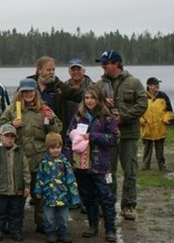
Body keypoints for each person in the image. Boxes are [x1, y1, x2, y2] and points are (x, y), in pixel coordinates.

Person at [0, 78, 62, 234]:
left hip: (39, 159)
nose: (28, 94)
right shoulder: (12, 109)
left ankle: (42, 224)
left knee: (39, 195)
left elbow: (57, 130)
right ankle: (14, 225)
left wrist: (51, 121)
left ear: (36, 92)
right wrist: (12, 125)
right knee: (17, 195)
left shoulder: (44, 109)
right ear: (20, 92)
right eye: (24, 91)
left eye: (30, 91)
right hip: (17, 159)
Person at [94, 49, 147, 220]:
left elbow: (142, 104)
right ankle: (108, 204)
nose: (102, 67)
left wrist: (123, 117)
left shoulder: (134, 83)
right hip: (108, 136)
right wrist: (102, 103)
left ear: (116, 64)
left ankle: (129, 206)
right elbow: (88, 102)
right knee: (108, 171)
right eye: (102, 63)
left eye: (105, 63)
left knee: (130, 171)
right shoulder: (99, 85)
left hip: (128, 135)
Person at [65, 85, 119, 242]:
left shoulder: (107, 117)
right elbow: (69, 137)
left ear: (99, 99)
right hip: (81, 165)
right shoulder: (78, 116)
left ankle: (110, 229)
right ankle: (93, 226)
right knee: (88, 197)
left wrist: (92, 136)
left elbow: (114, 139)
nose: (89, 101)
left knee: (106, 197)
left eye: (93, 98)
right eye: (87, 98)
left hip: (100, 165)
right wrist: (68, 158)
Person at [0, 124, 31, 242]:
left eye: (12, 136)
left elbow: (26, 170)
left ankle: (15, 231)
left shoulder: (20, 153)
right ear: (0, 137)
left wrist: (27, 185)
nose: (9, 139)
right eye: (6, 136)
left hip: (17, 190)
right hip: (0, 190)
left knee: (16, 213)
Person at [33, 133, 80, 243]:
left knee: (63, 217)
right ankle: (51, 232)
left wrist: (73, 194)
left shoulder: (65, 163)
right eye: (52, 148)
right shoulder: (44, 163)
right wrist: (39, 189)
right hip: (49, 195)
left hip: (62, 196)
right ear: (48, 148)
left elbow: (70, 179)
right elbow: (40, 177)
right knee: (49, 217)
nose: (55, 150)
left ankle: (63, 232)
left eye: (58, 147)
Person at [27, 56, 83, 135]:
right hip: (32, 132)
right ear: (39, 70)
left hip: (53, 131)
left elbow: (77, 95)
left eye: (53, 70)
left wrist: (97, 95)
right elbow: (15, 105)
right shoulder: (28, 86)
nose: (52, 72)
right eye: (48, 70)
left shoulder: (59, 86)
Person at [140, 77, 174, 171]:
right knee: (147, 148)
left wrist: (165, 120)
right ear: (149, 86)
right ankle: (145, 166)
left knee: (160, 149)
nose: (157, 86)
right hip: (147, 127)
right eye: (155, 84)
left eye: (158, 84)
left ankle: (162, 165)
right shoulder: (142, 96)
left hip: (160, 127)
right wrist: (142, 121)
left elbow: (169, 111)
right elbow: (137, 112)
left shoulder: (163, 96)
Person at [62, 59, 93, 148]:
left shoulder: (93, 87)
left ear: (84, 71)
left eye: (78, 69)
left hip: (87, 128)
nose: (76, 72)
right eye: (73, 70)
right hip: (67, 127)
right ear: (69, 71)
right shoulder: (62, 88)